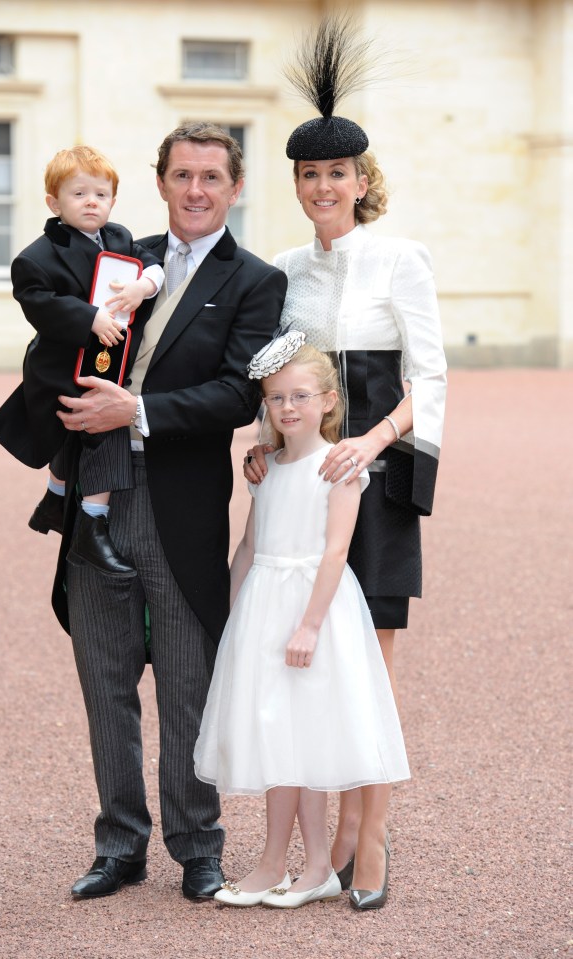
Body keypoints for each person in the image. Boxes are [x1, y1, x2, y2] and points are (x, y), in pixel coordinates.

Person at [51, 123, 287, 901]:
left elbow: (236, 391)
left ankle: (198, 847)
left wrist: (136, 410)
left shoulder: (255, 281)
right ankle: (120, 845)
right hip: (99, 487)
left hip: (179, 498)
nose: (195, 190)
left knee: (189, 682)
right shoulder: (112, 257)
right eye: (182, 174)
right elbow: (59, 334)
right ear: (160, 182)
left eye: (211, 177)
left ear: (235, 188)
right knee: (105, 676)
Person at [244, 18, 447, 906]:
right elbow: (283, 380)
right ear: (296, 184)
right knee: (314, 657)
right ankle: (323, 847)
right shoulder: (285, 269)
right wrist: (262, 435)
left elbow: (430, 375)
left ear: (363, 181)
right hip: (307, 484)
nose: (325, 186)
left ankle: (372, 835)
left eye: (338, 173)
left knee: (372, 661)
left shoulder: (403, 259)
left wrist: (375, 437)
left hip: (380, 476)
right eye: (310, 174)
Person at [194, 336, 409, 910]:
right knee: (275, 735)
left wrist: (310, 625)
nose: (288, 408)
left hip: (315, 609)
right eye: (275, 399)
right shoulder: (266, 467)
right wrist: (233, 615)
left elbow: (336, 552)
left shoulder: (336, 467)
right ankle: (276, 862)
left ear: (329, 400)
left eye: (300, 396)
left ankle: (315, 866)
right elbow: (250, 544)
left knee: (307, 733)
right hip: (265, 607)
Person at [0, 145, 164, 575]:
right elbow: (39, 302)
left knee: (83, 432)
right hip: (60, 364)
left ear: (113, 202)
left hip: (106, 360)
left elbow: (153, 263)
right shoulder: (37, 256)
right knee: (88, 426)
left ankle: (57, 501)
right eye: (79, 194)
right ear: (54, 203)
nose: (91, 202)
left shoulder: (120, 237)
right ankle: (90, 525)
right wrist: (91, 318)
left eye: (101, 195)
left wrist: (145, 285)